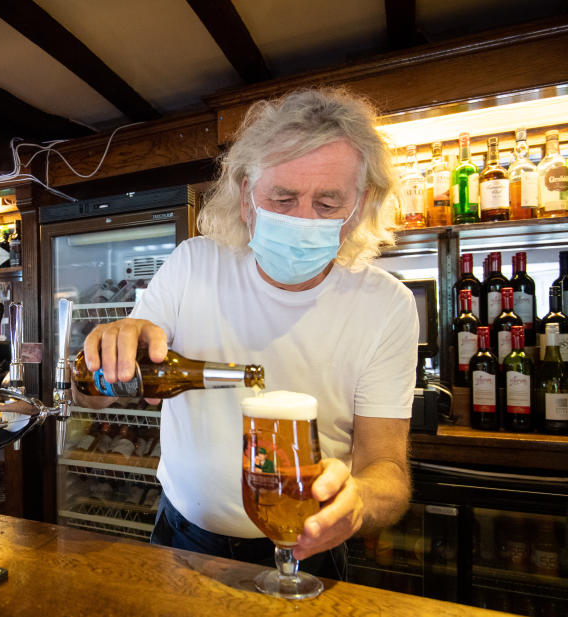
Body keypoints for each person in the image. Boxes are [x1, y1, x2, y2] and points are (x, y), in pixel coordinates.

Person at [77, 88, 417, 579]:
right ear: (245, 196)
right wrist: (109, 353)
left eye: (327, 202)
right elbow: (91, 400)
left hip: (309, 552)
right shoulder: (193, 265)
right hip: (182, 540)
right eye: (283, 198)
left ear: (360, 205)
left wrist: (359, 500)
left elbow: (387, 468)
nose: (303, 220)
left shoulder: (386, 305)